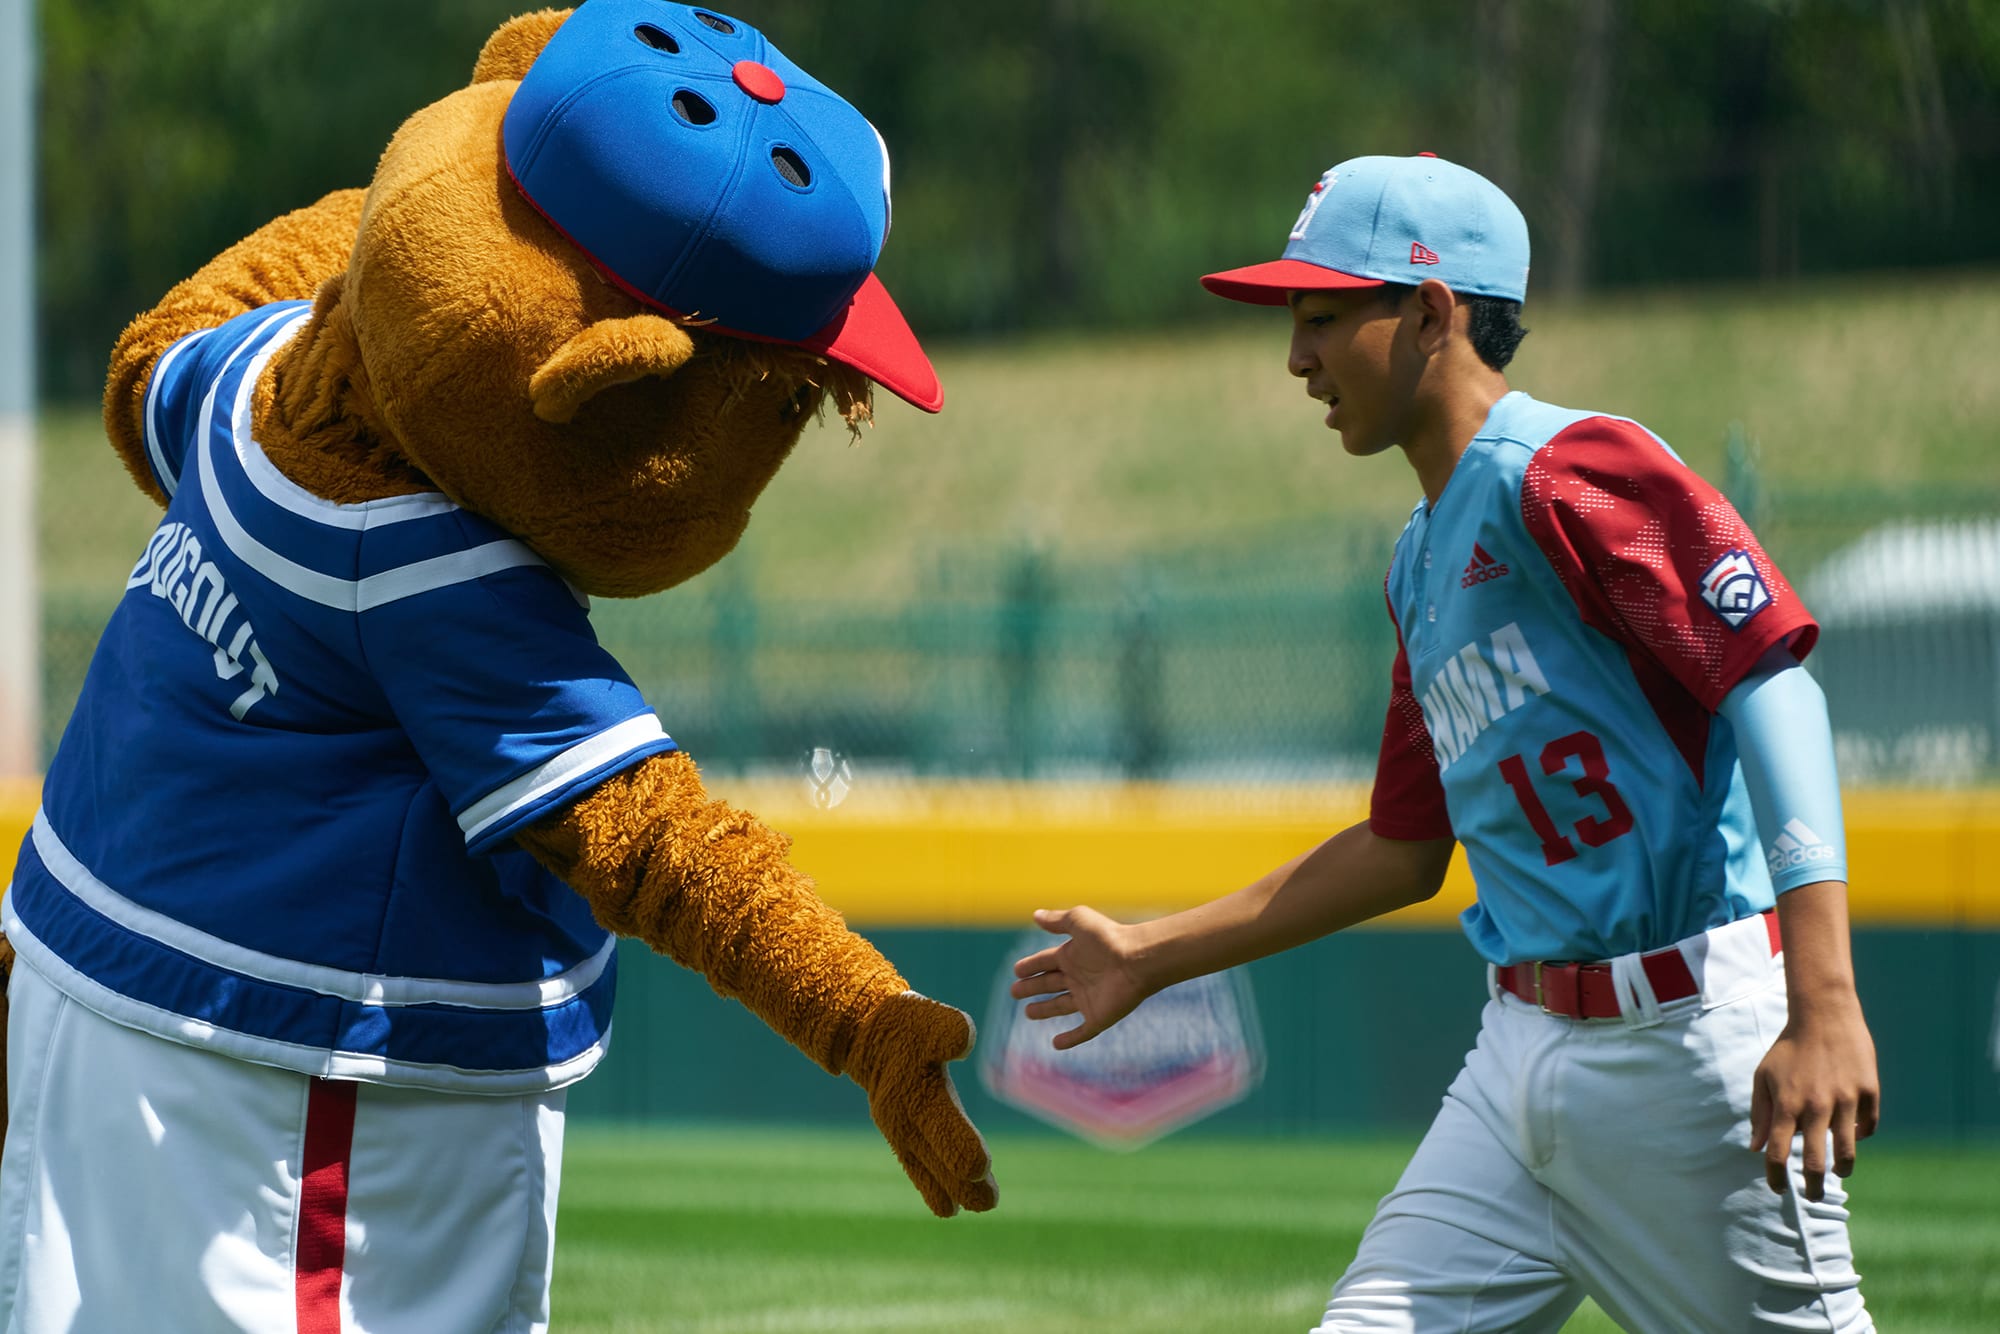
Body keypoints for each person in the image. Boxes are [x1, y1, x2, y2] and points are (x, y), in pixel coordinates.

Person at [1011, 153, 1879, 1332]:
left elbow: (1772, 685)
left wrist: (1821, 999)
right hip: (1514, 1058)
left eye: (1321, 315)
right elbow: (1401, 848)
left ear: (1428, 311)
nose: (1295, 356)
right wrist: (1149, 953)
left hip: (1683, 1044)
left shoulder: (1565, 470)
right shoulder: (1418, 562)